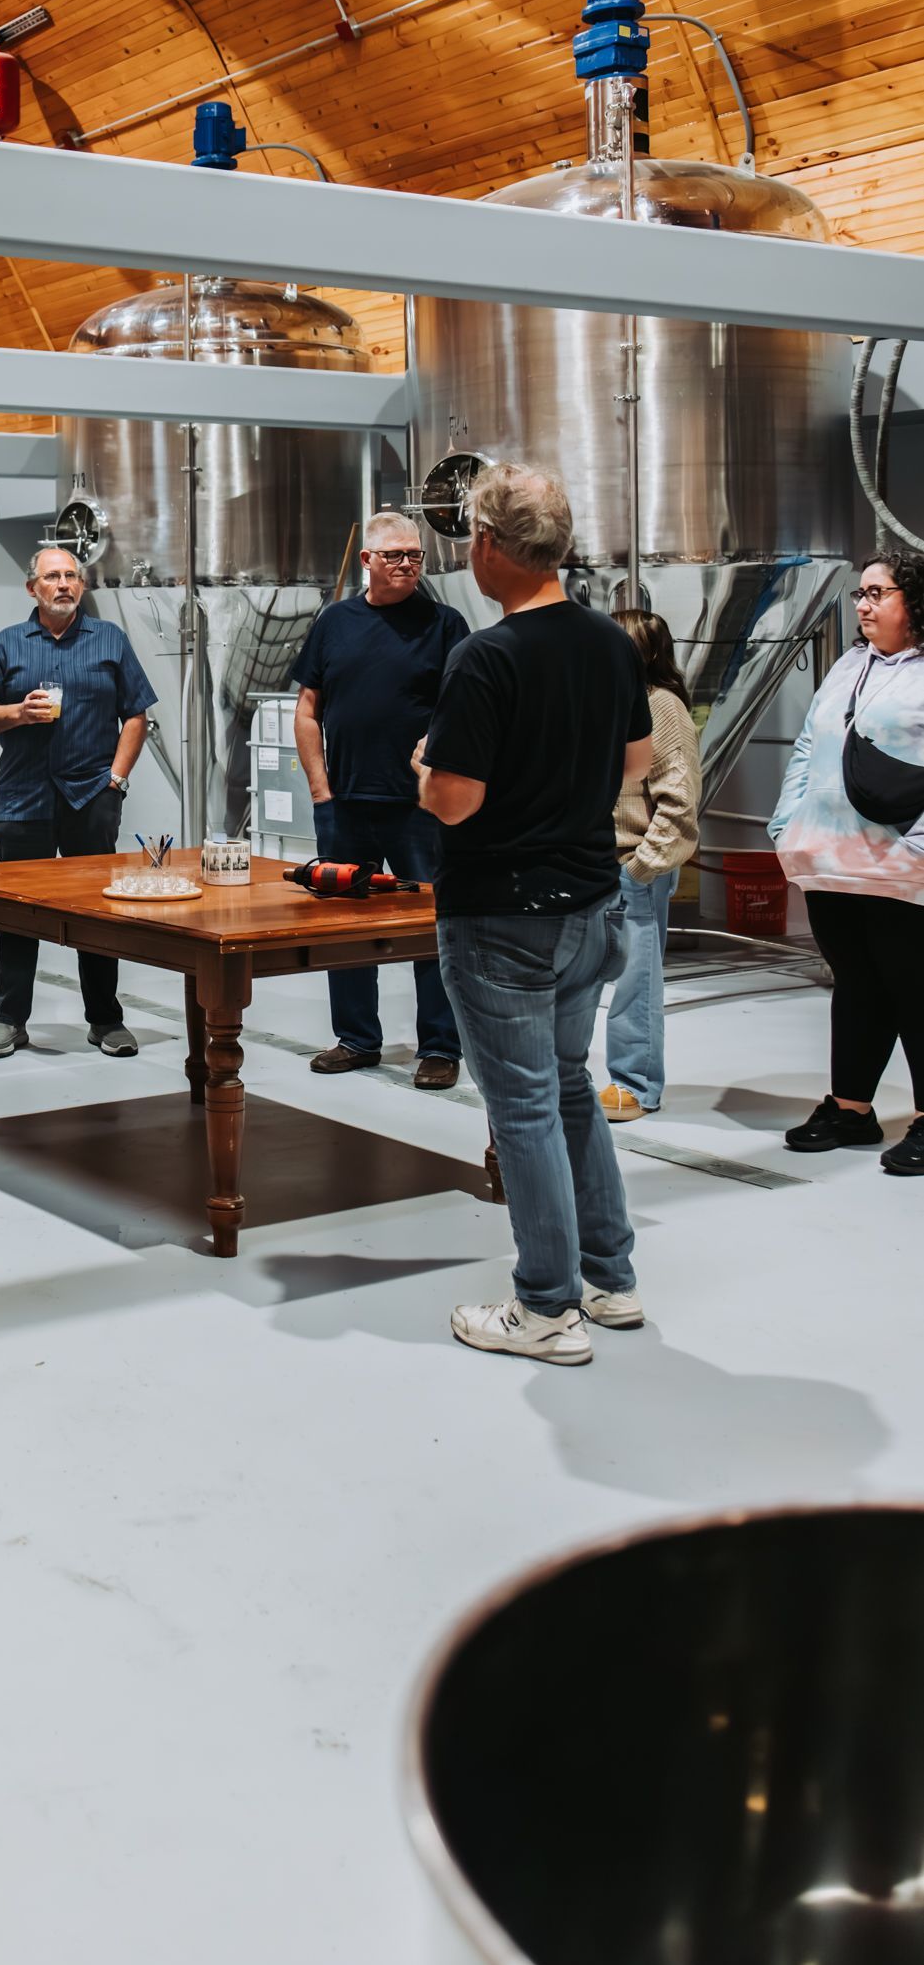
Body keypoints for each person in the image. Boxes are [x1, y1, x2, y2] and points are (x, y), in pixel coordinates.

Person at [415, 465, 652, 1367]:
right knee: (566, 1087)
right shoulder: (608, 641)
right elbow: (635, 762)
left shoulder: (486, 657)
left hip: (502, 917)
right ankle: (610, 1280)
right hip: (591, 904)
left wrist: (423, 767)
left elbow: (454, 801)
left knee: (521, 1108)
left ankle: (546, 1307)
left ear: (487, 545)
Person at [293, 510, 468, 1090]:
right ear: (366, 560)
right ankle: (356, 1039)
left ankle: (439, 1046)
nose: (407, 564)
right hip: (344, 803)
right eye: (395, 555)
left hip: (420, 808)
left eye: (415, 555)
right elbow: (307, 710)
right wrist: (320, 789)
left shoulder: (445, 624)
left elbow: (464, 710)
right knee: (344, 927)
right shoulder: (334, 623)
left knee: (432, 927)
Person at [0, 544, 154, 1059]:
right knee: (17, 912)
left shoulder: (109, 640)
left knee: (96, 912)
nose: (64, 584)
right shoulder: (6, 644)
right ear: (33, 588)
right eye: (52, 577)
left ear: (82, 585)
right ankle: (9, 1020)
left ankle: (105, 1019)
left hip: (90, 796)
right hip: (23, 798)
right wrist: (16, 714)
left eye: (71, 575)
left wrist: (116, 780)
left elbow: (137, 714)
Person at [769, 553, 924, 1175]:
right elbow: (810, 742)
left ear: (914, 600)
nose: (862, 604)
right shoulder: (847, 665)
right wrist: (787, 821)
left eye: (877, 593)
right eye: (860, 593)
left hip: (900, 866)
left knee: (914, 988)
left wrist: (919, 845)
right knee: (856, 982)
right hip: (830, 858)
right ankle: (851, 1109)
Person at [601, 608, 701, 1120]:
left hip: (632, 866)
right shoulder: (605, 700)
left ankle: (635, 1085)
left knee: (634, 982)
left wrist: (640, 868)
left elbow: (678, 801)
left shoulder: (662, 706)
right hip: (590, 863)